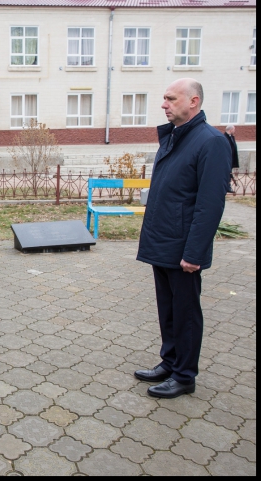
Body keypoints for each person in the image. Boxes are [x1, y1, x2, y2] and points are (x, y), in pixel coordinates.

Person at [135, 78, 232, 399]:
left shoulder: (211, 142)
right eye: (164, 99)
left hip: (183, 249)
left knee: (186, 312)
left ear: (193, 102)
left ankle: (185, 375)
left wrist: (194, 253)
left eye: (170, 99)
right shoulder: (175, 137)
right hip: (162, 242)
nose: (164, 104)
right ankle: (170, 361)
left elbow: (209, 204)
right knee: (168, 309)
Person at [224, 124, 240, 193]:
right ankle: (227, 186)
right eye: (234, 129)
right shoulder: (224, 138)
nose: (234, 131)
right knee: (227, 173)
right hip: (227, 159)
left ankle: (228, 186)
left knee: (229, 173)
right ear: (230, 130)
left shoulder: (232, 137)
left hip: (231, 158)